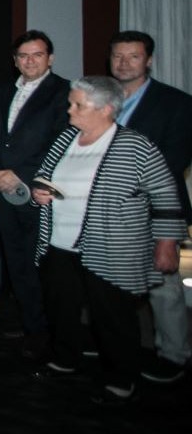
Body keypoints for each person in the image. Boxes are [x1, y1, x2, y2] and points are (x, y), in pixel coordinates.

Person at [31, 76, 184, 405]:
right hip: (59, 243)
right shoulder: (66, 138)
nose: (70, 110)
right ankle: (66, 358)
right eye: (70, 103)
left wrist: (166, 243)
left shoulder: (136, 146)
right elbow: (42, 177)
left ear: (106, 109)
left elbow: (165, 194)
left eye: (78, 105)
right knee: (61, 307)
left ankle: (121, 378)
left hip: (112, 248)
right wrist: (39, 192)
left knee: (112, 316)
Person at [107, 30, 192, 383]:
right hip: (107, 211)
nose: (124, 63)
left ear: (149, 60)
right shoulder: (99, 99)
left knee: (163, 287)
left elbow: (173, 161)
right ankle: (115, 346)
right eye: (118, 56)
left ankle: (174, 354)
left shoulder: (177, 103)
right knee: (108, 286)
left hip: (155, 210)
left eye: (134, 56)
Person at [0, 30, 69, 355]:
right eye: (23, 56)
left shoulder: (64, 92)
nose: (30, 61)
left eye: (37, 55)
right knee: (16, 262)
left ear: (50, 58)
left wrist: (21, 175)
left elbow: (61, 140)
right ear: (15, 61)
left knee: (42, 265)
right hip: (4, 192)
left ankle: (50, 333)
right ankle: (31, 325)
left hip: (38, 192)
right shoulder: (4, 91)